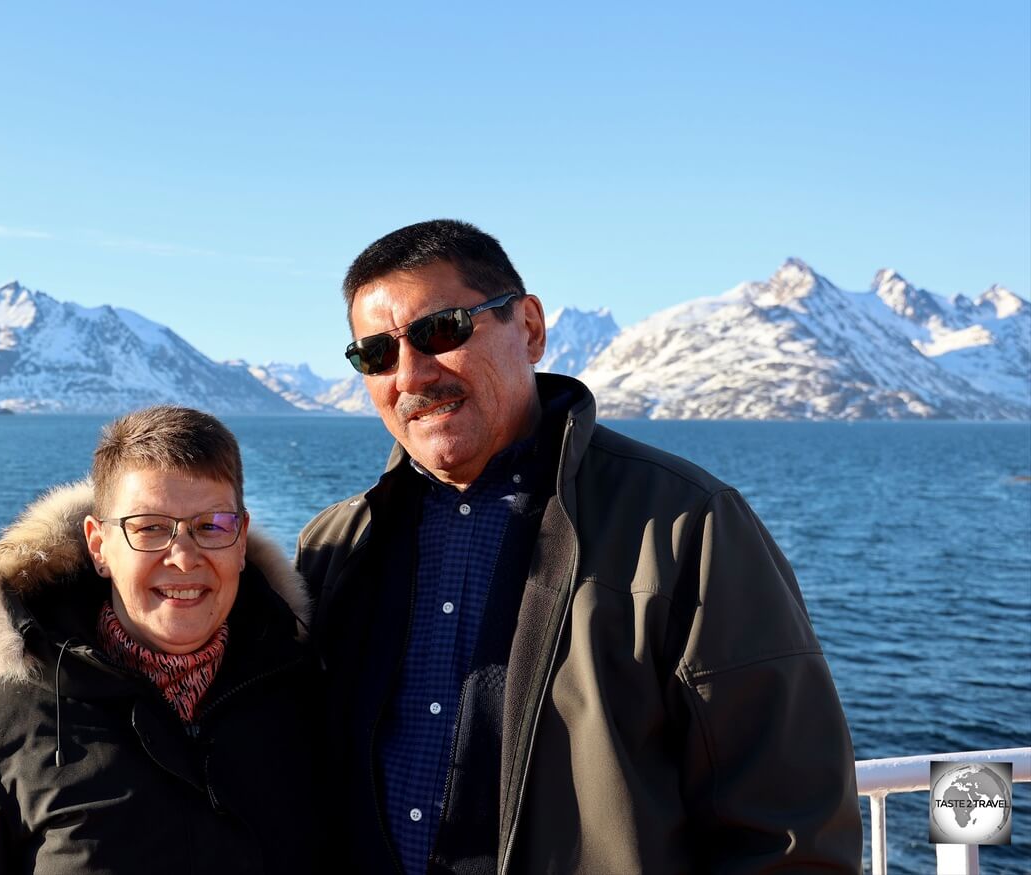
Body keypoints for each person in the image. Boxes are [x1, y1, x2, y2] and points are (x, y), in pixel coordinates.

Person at [296, 219, 863, 874]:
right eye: (376, 354)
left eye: (441, 330)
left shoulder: (686, 526)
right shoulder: (336, 546)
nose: (411, 374)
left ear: (530, 328)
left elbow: (790, 825)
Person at [0, 405, 318, 874]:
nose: (183, 557)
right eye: (149, 528)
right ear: (99, 546)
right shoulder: (1, 726)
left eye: (211, 526)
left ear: (240, 542)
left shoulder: (305, 697)